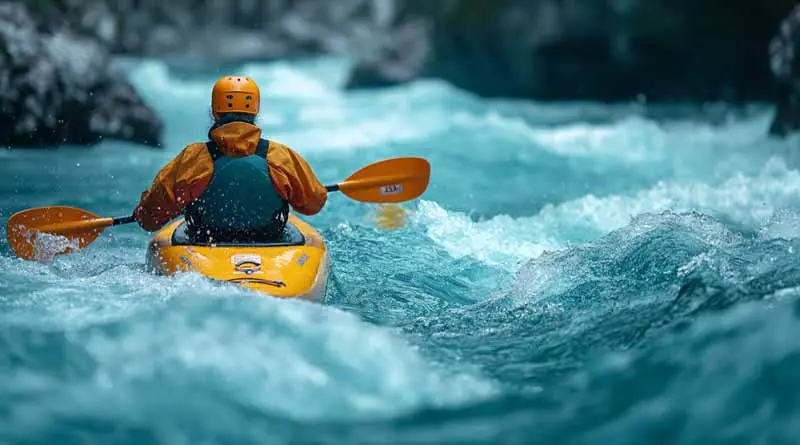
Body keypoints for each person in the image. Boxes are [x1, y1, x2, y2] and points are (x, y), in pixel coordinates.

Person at [134, 75, 327, 242]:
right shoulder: (280, 157)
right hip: (269, 242)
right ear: (255, 112)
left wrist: (143, 212)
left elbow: (150, 219)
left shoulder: (193, 159)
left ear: (214, 112)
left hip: (206, 243)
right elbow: (313, 204)